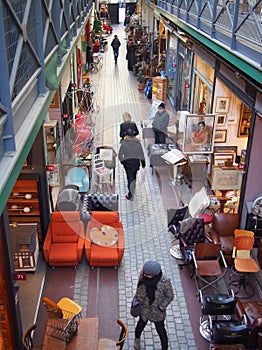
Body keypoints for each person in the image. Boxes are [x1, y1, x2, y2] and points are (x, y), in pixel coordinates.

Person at [133, 261, 174, 350]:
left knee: (161, 330)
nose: (145, 275)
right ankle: (137, 339)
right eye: (144, 273)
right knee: (140, 325)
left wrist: (161, 307)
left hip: (157, 312)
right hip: (145, 309)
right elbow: (139, 288)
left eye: (147, 275)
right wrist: (138, 300)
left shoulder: (165, 281)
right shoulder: (143, 274)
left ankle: (165, 347)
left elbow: (170, 296)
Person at [118, 129, 145, 200]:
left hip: (128, 164)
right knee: (134, 176)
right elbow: (141, 155)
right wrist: (143, 164)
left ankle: (130, 194)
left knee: (129, 178)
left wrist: (123, 162)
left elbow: (120, 155)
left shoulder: (124, 143)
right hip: (136, 163)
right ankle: (133, 186)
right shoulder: (138, 144)